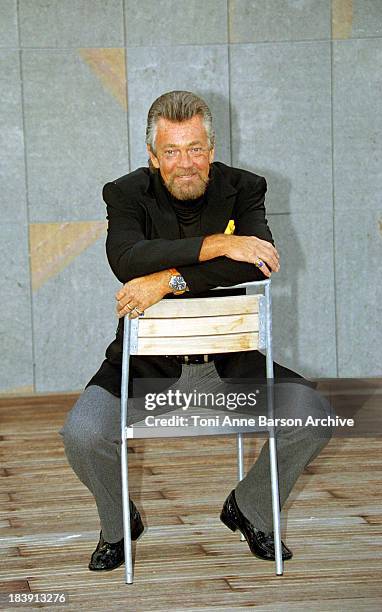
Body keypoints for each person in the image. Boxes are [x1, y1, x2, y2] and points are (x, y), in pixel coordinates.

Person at [60, 90, 331, 572]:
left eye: (195, 148)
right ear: (152, 156)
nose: (185, 163)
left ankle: (251, 507)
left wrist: (168, 280)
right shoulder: (124, 194)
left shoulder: (246, 187)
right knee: (82, 434)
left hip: (231, 367)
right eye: (171, 151)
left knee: (313, 414)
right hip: (143, 369)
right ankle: (119, 523)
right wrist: (223, 244)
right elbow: (125, 260)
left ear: (212, 147)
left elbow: (261, 261)